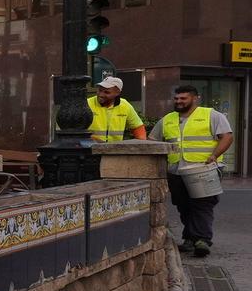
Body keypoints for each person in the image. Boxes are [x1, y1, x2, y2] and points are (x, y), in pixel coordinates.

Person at [156, 84, 234, 259]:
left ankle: (202, 240)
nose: (179, 101)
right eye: (176, 99)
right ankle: (191, 237)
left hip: (203, 169)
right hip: (176, 171)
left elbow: (227, 137)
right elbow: (154, 140)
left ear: (195, 98)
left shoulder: (212, 115)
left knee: (203, 204)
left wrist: (214, 155)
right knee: (184, 206)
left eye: (183, 98)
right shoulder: (167, 119)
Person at [86, 75, 146, 143]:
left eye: (107, 92)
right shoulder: (87, 104)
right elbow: (76, 129)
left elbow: (138, 127)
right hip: (89, 149)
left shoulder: (125, 105)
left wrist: (141, 146)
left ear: (117, 93)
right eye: (100, 90)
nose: (101, 94)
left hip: (114, 150)